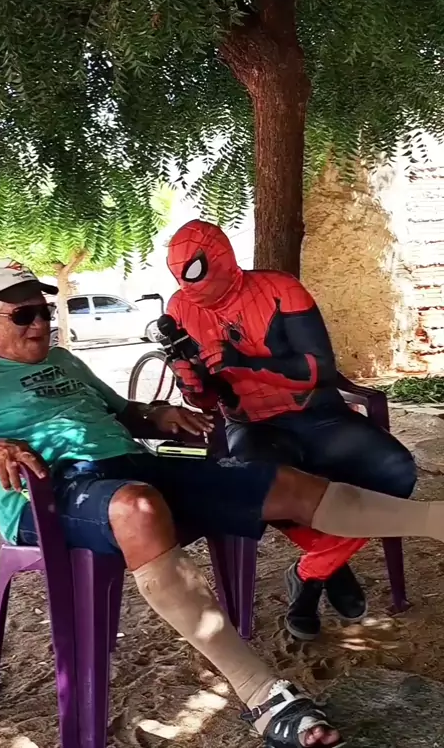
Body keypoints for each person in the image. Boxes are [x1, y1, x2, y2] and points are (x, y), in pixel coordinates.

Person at [0, 262, 443, 748]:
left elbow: (126, 414)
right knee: (139, 508)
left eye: (44, 311)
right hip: (51, 496)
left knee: (286, 483)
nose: (40, 323)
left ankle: (435, 519)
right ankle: (259, 692)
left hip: (134, 468)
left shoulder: (64, 361)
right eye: (23, 315)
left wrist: (161, 415)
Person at [166, 220, 418, 640]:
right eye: (179, 276)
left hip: (318, 413)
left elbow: (320, 368)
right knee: (261, 484)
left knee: (396, 472)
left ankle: (311, 572)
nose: (189, 286)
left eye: (194, 271)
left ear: (222, 258)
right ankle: (330, 564)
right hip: (251, 425)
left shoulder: (279, 289)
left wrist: (244, 362)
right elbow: (206, 401)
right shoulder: (179, 310)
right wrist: (191, 385)